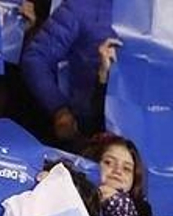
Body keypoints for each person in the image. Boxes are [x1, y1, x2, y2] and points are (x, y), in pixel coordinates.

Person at [20, 0, 113, 141]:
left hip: (146, 137)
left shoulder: (157, 17)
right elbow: (36, 58)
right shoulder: (83, 7)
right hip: (86, 131)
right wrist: (59, 109)